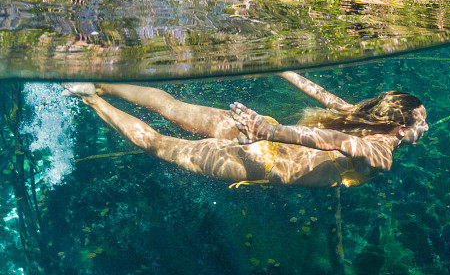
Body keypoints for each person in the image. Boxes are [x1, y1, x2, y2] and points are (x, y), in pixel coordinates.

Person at [63, 71, 428, 188]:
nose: (425, 127)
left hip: (262, 131)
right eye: (420, 122)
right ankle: (93, 99)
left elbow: (322, 95)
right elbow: (334, 140)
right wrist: (265, 134)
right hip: (263, 158)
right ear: (398, 125)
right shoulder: (381, 154)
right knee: (158, 144)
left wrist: (286, 70)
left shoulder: (359, 116)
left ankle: (99, 84)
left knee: (172, 107)